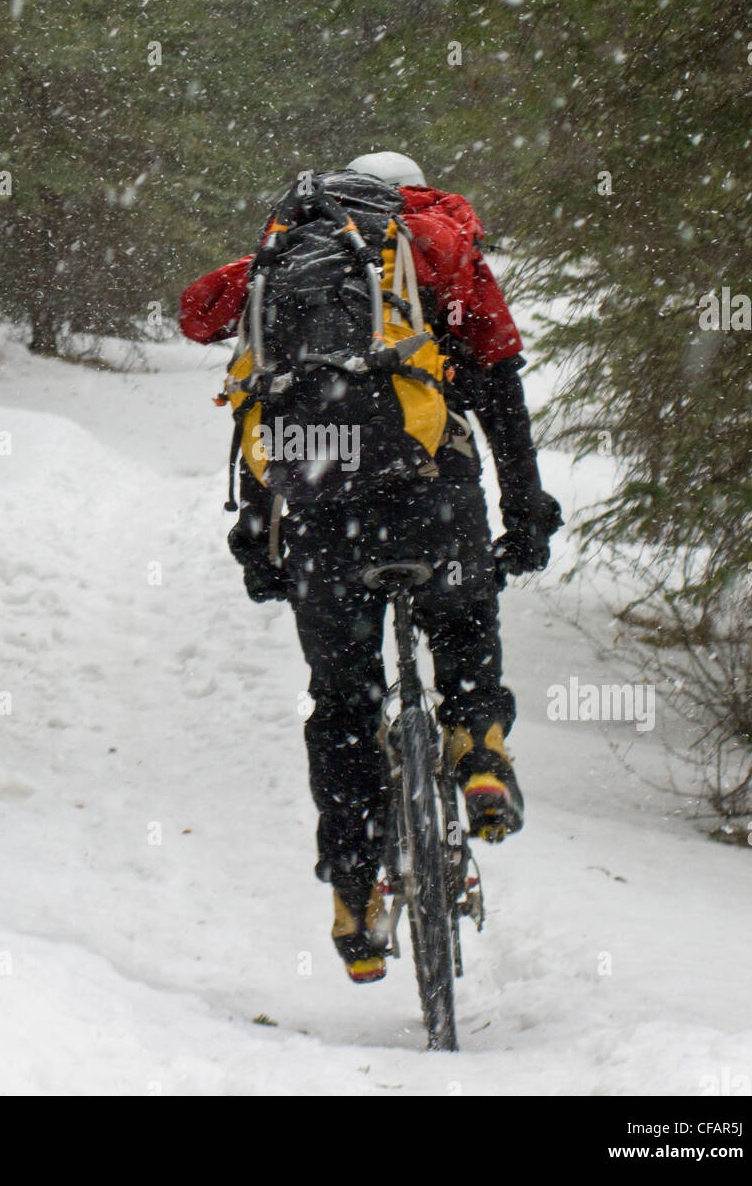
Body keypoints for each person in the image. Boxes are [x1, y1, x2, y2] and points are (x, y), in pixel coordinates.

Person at [179, 152, 562, 982]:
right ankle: (479, 748)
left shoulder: (281, 261)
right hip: (426, 489)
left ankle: (354, 890)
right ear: (410, 192)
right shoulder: (430, 252)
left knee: (343, 701)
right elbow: (499, 387)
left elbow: (261, 392)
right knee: (461, 616)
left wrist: (259, 530)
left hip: (320, 515)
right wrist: (524, 508)